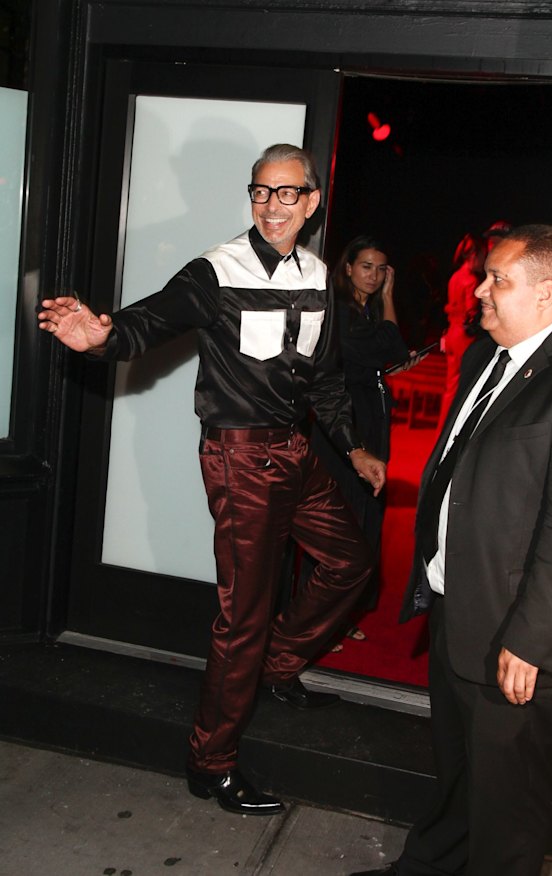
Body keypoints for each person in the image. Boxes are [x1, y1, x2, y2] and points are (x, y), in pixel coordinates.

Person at [37, 143, 387, 817]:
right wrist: (101, 338)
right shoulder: (216, 270)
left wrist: (353, 447)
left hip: (297, 451)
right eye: (261, 191)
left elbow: (326, 379)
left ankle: (276, 667)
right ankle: (211, 763)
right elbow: (148, 321)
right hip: (241, 459)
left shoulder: (320, 276)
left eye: (287, 192)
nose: (271, 205)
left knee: (352, 561)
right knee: (243, 615)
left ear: (311, 202)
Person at [351, 224, 552, 876]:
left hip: (518, 638)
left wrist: (531, 641)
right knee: (458, 775)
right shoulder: (485, 357)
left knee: (509, 812)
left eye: (497, 281)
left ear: (545, 294)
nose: (479, 291)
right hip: (458, 607)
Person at [306, 236, 409, 645]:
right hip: (341, 426)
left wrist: (386, 299)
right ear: (347, 268)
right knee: (339, 523)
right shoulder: (340, 311)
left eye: (382, 269)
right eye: (366, 266)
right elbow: (392, 347)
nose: (375, 275)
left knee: (363, 519)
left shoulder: (366, 310)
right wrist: (390, 299)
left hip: (368, 422)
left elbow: (392, 348)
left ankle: (339, 614)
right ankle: (318, 621)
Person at [436, 232, 486, 432]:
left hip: (451, 333)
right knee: (461, 386)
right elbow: (471, 313)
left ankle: (442, 428)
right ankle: (451, 429)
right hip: (464, 336)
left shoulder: (455, 276)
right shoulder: (471, 280)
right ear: (474, 255)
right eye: (483, 256)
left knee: (450, 387)